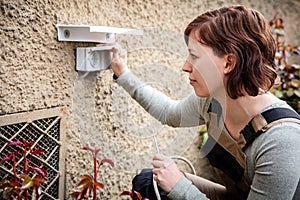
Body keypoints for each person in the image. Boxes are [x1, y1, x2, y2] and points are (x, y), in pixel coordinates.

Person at [110, 5, 300, 200]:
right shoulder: (213, 102)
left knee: (171, 188)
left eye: (195, 56)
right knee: (149, 183)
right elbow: (169, 112)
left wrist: (179, 186)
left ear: (228, 63)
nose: (185, 66)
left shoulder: (280, 140)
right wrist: (123, 73)